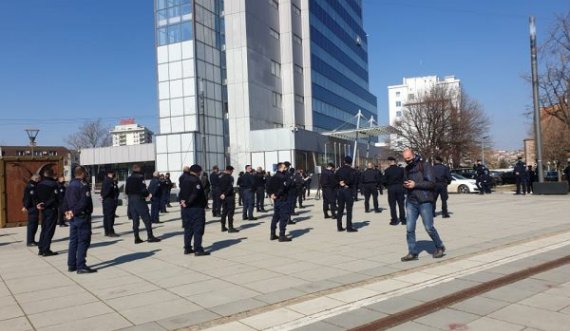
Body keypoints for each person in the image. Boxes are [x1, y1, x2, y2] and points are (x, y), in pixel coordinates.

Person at [401, 149, 445, 261]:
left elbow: (431, 183)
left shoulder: (425, 165)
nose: (407, 161)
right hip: (411, 201)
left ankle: (439, 246)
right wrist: (405, 185)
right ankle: (412, 252)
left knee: (429, 227)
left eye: (409, 158)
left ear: (414, 155)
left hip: (424, 200)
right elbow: (406, 181)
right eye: (405, 159)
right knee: (409, 228)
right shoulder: (406, 168)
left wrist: (415, 184)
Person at [63, 166, 96, 274]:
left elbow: (65, 201)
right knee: (83, 241)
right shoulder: (83, 185)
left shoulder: (70, 184)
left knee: (73, 241)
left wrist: (68, 212)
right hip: (81, 216)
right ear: (82, 173)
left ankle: (71, 264)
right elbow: (83, 202)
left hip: (73, 217)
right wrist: (74, 211)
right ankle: (81, 265)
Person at [125, 164, 161, 244]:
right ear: (138, 169)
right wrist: (147, 194)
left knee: (135, 220)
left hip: (131, 200)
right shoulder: (139, 177)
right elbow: (143, 189)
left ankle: (136, 238)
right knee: (146, 218)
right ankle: (150, 236)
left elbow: (126, 191)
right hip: (139, 200)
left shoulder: (129, 178)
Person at [179, 164, 210, 256]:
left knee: (188, 228)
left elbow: (181, 193)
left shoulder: (184, 179)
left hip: (185, 208)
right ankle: (198, 249)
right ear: (198, 171)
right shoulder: (196, 180)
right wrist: (188, 202)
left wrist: (182, 202)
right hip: (196, 207)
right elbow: (195, 194)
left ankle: (187, 247)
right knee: (198, 228)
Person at [36, 167, 60, 256]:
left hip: (42, 209)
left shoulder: (39, 184)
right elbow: (54, 198)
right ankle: (46, 249)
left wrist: (39, 204)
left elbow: (36, 196)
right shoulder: (53, 184)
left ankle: (41, 248)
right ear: (51, 174)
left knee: (44, 228)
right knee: (49, 229)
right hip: (51, 209)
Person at [267, 162, 292, 242]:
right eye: (284, 167)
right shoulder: (282, 177)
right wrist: (276, 194)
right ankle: (282, 235)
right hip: (282, 199)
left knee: (276, 216)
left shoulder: (273, 176)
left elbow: (268, 187)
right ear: (280, 168)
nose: (286, 169)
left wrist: (271, 194)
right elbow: (282, 188)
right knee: (283, 217)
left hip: (276, 199)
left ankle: (272, 234)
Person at [335, 156, 358, 232]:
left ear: (344, 161)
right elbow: (353, 180)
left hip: (340, 190)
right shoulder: (352, 170)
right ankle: (349, 227)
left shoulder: (339, 170)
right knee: (349, 210)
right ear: (351, 162)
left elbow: (334, 178)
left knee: (340, 209)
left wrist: (340, 182)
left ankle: (339, 226)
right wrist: (346, 183)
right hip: (348, 190)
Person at [383, 157, 406, 226]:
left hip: (391, 188)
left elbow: (383, 180)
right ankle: (403, 220)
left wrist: (387, 186)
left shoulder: (387, 170)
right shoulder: (401, 169)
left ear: (390, 161)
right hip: (400, 187)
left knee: (392, 205)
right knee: (401, 205)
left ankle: (394, 220)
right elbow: (404, 178)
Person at [22, 174, 41, 247]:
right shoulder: (31, 186)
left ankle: (32, 240)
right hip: (32, 208)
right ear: (35, 179)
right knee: (32, 225)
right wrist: (25, 206)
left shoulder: (34, 185)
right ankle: (30, 241)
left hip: (34, 207)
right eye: (39, 179)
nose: (39, 180)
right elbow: (28, 198)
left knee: (35, 225)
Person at [219, 166, 239, 233]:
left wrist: (221, 194)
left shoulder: (221, 177)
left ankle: (223, 226)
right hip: (229, 196)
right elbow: (230, 187)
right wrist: (225, 194)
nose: (232, 172)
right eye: (232, 171)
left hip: (223, 197)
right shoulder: (230, 178)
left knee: (224, 212)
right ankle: (230, 227)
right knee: (230, 212)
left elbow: (218, 186)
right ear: (229, 171)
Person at [101, 169, 119, 236]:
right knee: (110, 217)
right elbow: (108, 191)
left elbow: (102, 192)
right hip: (110, 201)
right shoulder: (110, 181)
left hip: (106, 201)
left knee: (106, 216)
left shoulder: (105, 180)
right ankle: (110, 231)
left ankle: (107, 231)